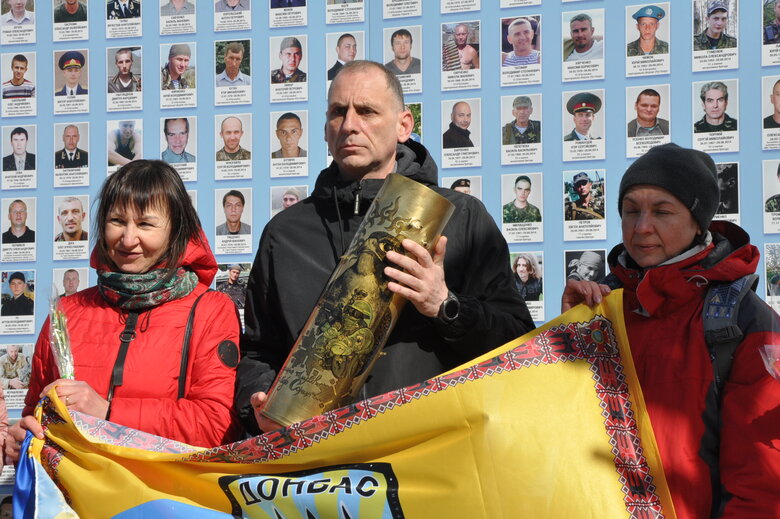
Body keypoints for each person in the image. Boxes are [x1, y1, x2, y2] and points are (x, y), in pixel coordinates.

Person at [237, 60, 534, 434]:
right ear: (326, 131)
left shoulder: (461, 217)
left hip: (430, 457)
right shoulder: (285, 234)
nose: (350, 125)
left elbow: (518, 341)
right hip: (321, 466)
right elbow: (258, 352)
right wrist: (258, 402)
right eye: (337, 113)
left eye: (367, 111)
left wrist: (445, 306)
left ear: (404, 125)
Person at [560, 143, 780, 519]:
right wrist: (566, 335)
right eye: (631, 211)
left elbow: (760, 481)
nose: (642, 227)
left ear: (699, 222)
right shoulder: (601, 305)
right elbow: (559, 435)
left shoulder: (743, 319)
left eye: (662, 212)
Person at [5, 160, 242, 462]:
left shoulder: (210, 309)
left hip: (167, 503)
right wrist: (23, 438)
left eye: (145, 224)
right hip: (76, 505)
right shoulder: (66, 311)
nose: (128, 239)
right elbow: (34, 414)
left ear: (176, 231)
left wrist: (107, 412)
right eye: (117, 221)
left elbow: (217, 426)